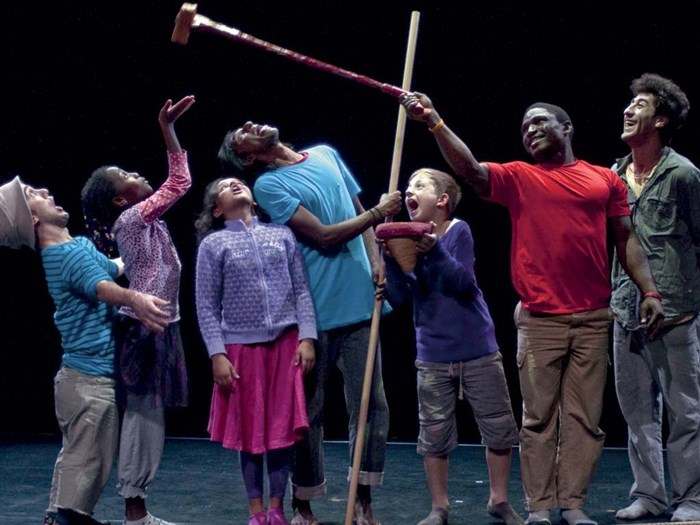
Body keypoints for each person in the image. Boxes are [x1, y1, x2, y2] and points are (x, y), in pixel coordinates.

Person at [400, 93, 664, 525]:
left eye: (539, 122)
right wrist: (434, 121)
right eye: (524, 127)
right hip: (540, 319)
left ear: (567, 128)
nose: (530, 130)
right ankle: (539, 507)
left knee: (584, 420)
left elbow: (626, 239)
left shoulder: (604, 179)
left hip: (593, 318)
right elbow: (471, 171)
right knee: (538, 420)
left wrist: (650, 291)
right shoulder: (520, 177)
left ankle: (572, 504)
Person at [217, 121, 402, 525]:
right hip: (312, 315)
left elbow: (358, 213)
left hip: (360, 303)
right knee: (308, 413)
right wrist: (380, 212)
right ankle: (303, 502)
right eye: (241, 134)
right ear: (248, 156)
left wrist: (376, 261)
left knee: (372, 406)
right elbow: (324, 236)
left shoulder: (325, 153)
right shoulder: (268, 185)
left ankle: (363, 497)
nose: (249, 125)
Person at [0, 176, 170, 525]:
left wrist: (146, 252)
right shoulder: (64, 254)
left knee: (76, 456)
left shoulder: (76, 246)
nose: (45, 191)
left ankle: (56, 518)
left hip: (77, 381)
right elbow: (104, 287)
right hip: (89, 382)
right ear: (33, 219)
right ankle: (68, 519)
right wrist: (136, 298)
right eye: (33, 195)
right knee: (90, 462)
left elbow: (114, 267)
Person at [379, 168, 524, 525]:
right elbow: (402, 297)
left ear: (442, 200)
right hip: (433, 354)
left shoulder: (458, 230)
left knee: (497, 427)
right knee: (433, 433)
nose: (409, 191)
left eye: (419, 185)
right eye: (408, 186)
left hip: (477, 349)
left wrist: (436, 250)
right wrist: (391, 262)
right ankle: (439, 507)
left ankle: (499, 499)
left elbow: (461, 282)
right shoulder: (407, 240)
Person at [80, 95, 194, 525]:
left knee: (150, 417)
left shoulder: (146, 223)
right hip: (143, 327)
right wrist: (167, 128)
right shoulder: (131, 220)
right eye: (127, 177)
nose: (137, 174)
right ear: (118, 201)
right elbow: (179, 182)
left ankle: (137, 509)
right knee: (143, 418)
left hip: (161, 324)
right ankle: (134, 510)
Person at [194, 176, 317, 525]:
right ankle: (256, 511)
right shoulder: (214, 244)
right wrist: (217, 353)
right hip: (240, 350)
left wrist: (307, 336)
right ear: (217, 210)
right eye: (224, 186)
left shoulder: (282, 234)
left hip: (285, 345)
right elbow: (206, 305)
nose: (235, 185)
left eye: (238, 182)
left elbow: (301, 290)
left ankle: (277, 508)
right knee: (249, 433)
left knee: (281, 431)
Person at [609, 73, 700, 523]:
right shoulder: (613, 176)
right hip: (626, 311)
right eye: (630, 104)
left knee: (686, 412)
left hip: (675, 313)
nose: (628, 110)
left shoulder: (683, 174)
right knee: (637, 413)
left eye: (640, 105)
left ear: (661, 119)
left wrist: (683, 297)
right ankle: (649, 494)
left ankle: (691, 499)